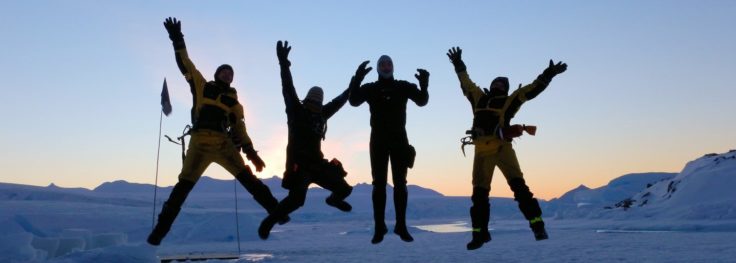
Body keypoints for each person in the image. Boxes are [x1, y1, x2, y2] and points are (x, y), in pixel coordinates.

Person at [148, 17, 285, 246]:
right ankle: (159, 232)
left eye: (231, 73)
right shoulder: (203, 86)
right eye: (224, 71)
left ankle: (277, 211)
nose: (228, 75)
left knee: (249, 180)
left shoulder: (234, 102)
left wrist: (252, 153)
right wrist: (177, 38)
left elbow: (240, 129)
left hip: (224, 145)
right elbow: (186, 63)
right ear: (216, 74)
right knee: (182, 188)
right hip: (199, 143)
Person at [446, 47, 567, 250]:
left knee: (519, 188)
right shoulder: (478, 98)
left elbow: (531, 90)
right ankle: (480, 234)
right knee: (479, 196)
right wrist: (458, 64)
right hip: (482, 151)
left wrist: (548, 74)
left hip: (502, 148)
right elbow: (465, 83)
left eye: (501, 84)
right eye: (495, 82)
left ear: (506, 88)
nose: (497, 85)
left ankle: (538, 226)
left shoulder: (510, 100)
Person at [258, 41, 354, 240]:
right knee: (296, 200)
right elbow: (288, 88)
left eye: (320, 101)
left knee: (344, 189)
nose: (317, 104)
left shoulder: (321, 115)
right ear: (308, 99)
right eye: (314, 100)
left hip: (317, 163)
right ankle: (269, 221)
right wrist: (284, 64)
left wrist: (353, 85)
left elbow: (339, 101)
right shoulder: (296, 111)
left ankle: (334, 200)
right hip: (299, 165)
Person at [348, 55, 429, 244]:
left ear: (393, 67)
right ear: (378, 68)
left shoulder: (402, 86)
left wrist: (424, 84)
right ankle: (379, 227)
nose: (386, 66)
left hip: (400, 140)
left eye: (389, 64)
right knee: (378, 185)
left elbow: (422, 101)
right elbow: (353, 100)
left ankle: (401, 226)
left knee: (400, 184)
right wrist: (357, 78)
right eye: (382, 64)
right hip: (378, 141)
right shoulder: (371, 88)